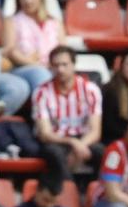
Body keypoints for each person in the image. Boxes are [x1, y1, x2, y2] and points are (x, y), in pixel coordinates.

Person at [31, 46, 103, 181]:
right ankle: (68, 193)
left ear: (74, 65)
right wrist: (72, 142)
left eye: (65, 64)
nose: (60, 70)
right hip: (56, 140)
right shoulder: (41, 93)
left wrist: (80, 144)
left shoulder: (91, 90)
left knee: (101, 152)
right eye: (56, 65)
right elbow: (45, 134)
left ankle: (96, 192)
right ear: (50, 67)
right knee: (54, 153)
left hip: (83, 138)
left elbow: (95, 131)